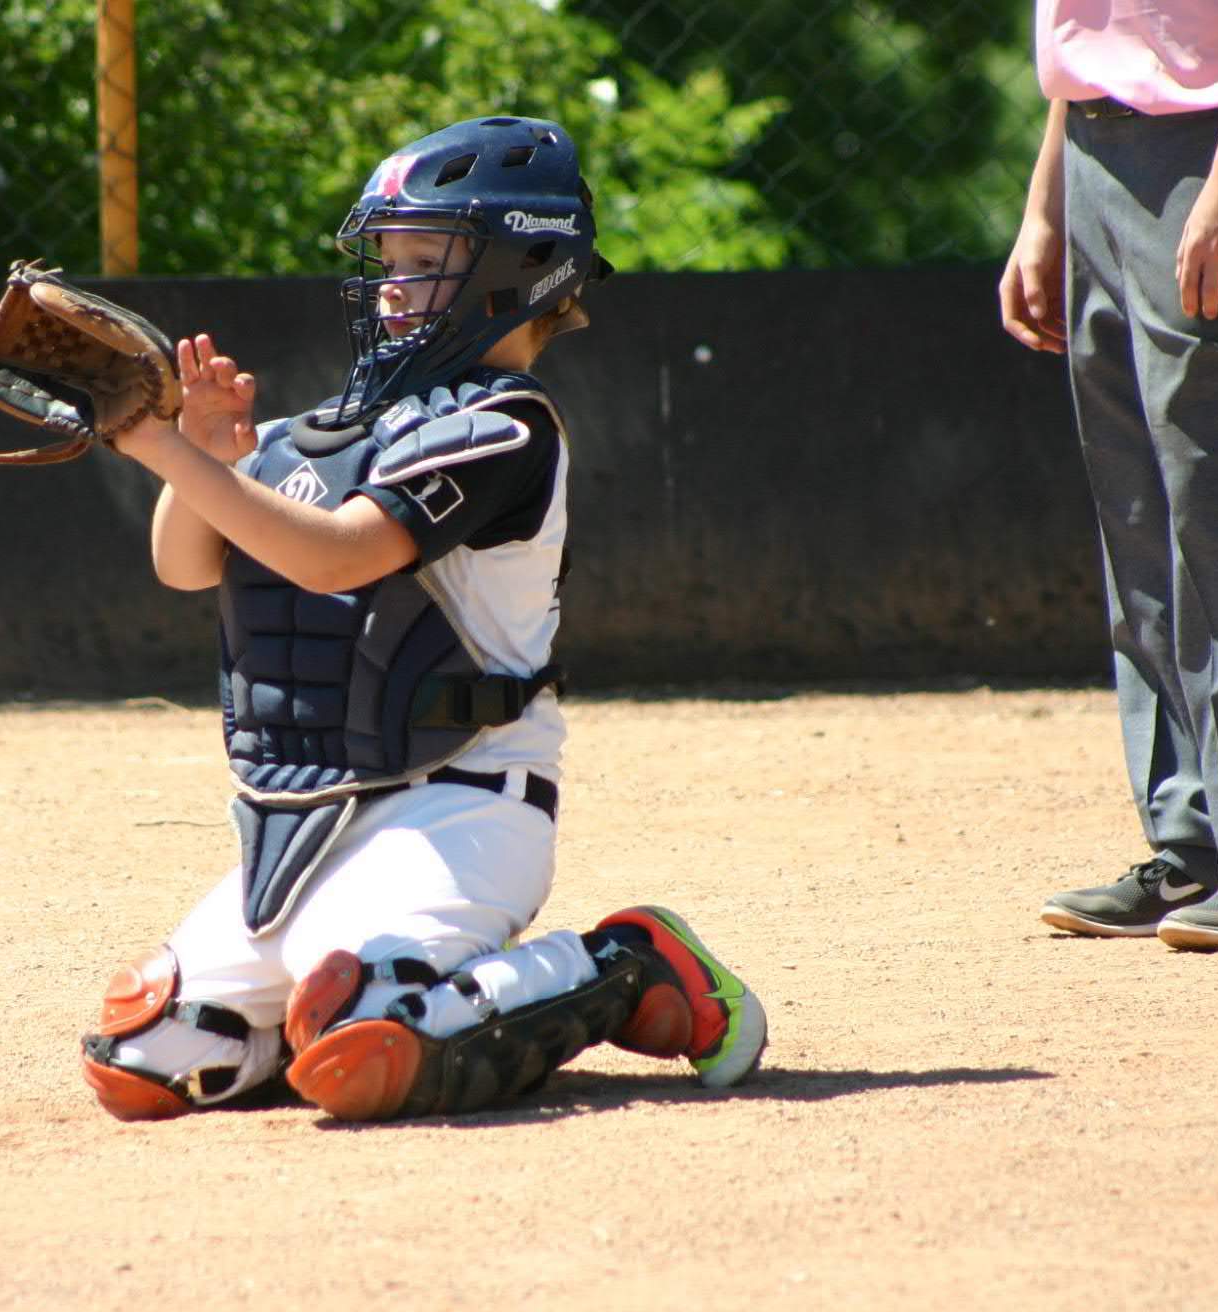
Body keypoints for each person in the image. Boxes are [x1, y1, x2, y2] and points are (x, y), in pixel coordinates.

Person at [77, 116, 768, 1123]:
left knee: (376, 1025)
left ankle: (623, 963)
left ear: (518, 264)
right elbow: (183, 565)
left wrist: (151, 447)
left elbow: (337, 553)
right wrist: (207, 458)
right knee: (141, 1053)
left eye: (423, 259)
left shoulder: (505, 426)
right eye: (387, 258)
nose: (391, 283)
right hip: (303, 820)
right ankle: (322, 1015)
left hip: (460, 804)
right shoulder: (323, 428)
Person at [1000, 2, 1218, 950]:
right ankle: (1196, 839)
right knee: (1139, 500)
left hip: (1217, 138)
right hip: (1095, 138)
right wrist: (1047, 201)